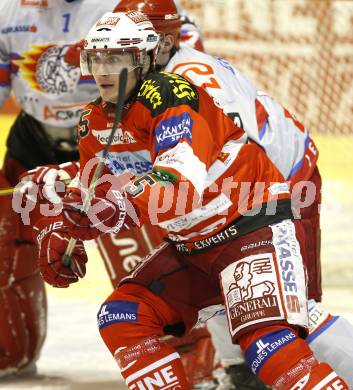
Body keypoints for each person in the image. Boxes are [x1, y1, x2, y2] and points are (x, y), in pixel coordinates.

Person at [31, 11, 348, 389]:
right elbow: (94, 191)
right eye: (96, 58)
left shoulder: (171, 94)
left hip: (250, 227)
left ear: (145, 59)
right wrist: (62, 232)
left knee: (267, 343)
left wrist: (111, 211)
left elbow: (176, 188)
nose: (103, 70)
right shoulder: (93, 121)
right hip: (193, 246)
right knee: (122, 316)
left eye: (115, 59)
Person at [0, 0, 123, 377]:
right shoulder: (6, 9)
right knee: (4, 240)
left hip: (115, 140)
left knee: (144, 249)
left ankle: (188, 354)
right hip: (34, 139)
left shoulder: (124, 5)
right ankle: (10, 355)